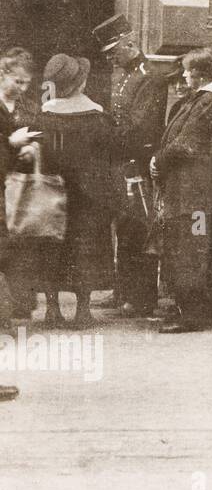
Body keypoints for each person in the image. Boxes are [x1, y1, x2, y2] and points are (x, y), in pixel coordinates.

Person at [31, 55, 119, 328]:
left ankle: (52, 311)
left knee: (51, 246)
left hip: (53, 192)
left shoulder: (44, 117)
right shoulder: (98, 117)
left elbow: (40, 156)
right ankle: (82, 311)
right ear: (80, 83)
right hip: (89, 195)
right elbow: (110, 157)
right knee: (86, 247)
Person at [94, 18, 169, 317]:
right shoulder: (124, 75)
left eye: (114, 51)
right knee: (124, 229)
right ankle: (123, 290)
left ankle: (143, 297)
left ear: (130, 44)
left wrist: (104, 135)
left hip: (136, 162)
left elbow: (140, 127)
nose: (110, 58)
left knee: (140, 229)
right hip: (121, 162)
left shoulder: (151, 77)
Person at [150, 48, 212, 333]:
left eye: (187, 70)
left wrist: (158, 160)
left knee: (193, 251)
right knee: (184, 249)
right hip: (187, 191)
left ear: (201, 74)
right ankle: (186, 309)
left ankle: (193, 315)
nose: (184, 75)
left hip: (198, 194)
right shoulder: (199, 100)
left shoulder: (209, 102)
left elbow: (187, 143)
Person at [1, 48, 41, 324]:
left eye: (26, 83)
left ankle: (20, 304)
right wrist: (10, 144)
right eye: (17, 81)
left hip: (21, 182)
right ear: (3, 73)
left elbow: (39, 129)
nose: (22, 88)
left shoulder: (28, 105)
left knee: (22, 239)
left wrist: (34, 146)